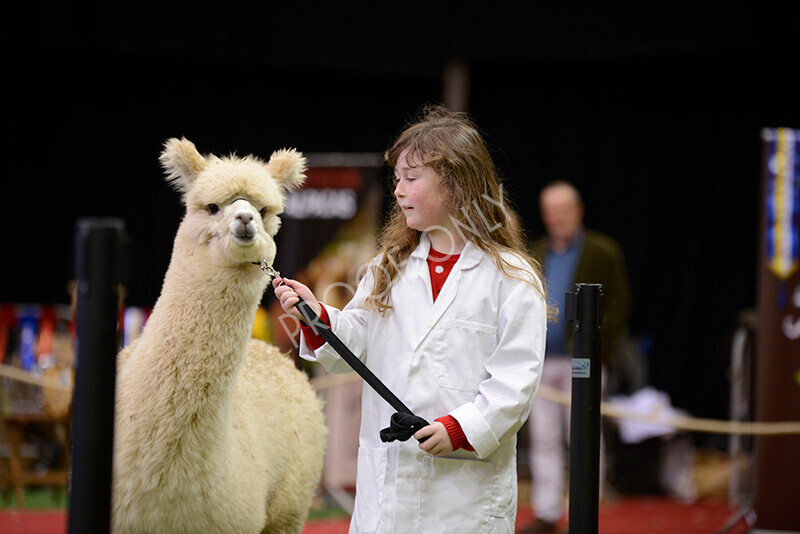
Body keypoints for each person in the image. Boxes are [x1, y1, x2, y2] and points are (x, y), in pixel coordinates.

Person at [273, 105, 548, 533]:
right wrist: (318, 316)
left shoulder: (511, 277)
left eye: (411, 178)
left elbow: (516, 383)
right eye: (396, 179)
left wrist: (459, 429)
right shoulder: (387, 267)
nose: (398, 191)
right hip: (387, 493)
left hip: (463, 500)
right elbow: (357, 345)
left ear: (457, 183)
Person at [522, 180, 631, 533]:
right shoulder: (534, 253)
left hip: (582, 364)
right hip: (541, 363)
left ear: (579, 211)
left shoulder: (603, 251)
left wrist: (599, 349)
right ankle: (548, 512)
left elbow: (618, 306)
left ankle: (589, 510)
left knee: (584, 434)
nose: (556, 218)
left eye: (563, 210)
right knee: (543, 437)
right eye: (550, 211)